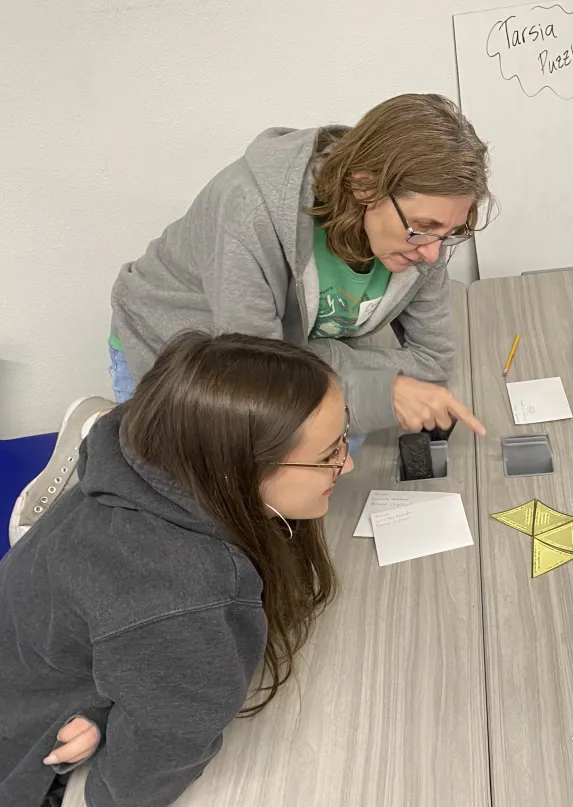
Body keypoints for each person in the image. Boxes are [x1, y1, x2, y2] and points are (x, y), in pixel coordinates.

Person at [10, 93, 487, 546]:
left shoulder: (428, 234)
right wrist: (379, 384)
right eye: (422, 228)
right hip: (175, 346)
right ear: (364, 186)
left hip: (274, 356)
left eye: (451, 232)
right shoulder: (250, 209)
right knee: (176, 517)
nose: (432, 252)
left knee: (299, 494)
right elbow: (256, 382)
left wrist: (364, 380)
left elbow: (432, 359)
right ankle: (95, 447)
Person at [1, 332, 351, 807]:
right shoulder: (181, 596)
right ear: (238, 469)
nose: (347, 464)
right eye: (328, 454)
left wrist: (103, 710)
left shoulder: (154, 449)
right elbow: (147, 769)